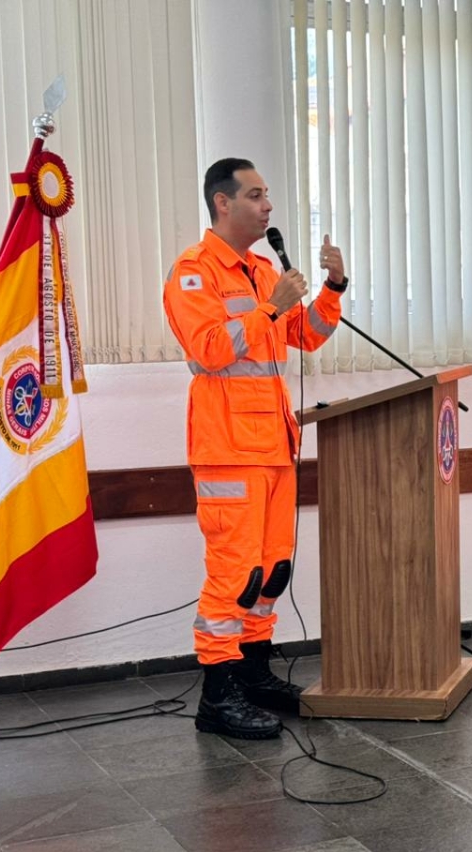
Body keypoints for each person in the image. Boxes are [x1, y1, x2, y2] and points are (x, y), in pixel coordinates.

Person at [163, 158, 347, 740]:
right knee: (234, 575)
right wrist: (273, 306)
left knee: (270, 573)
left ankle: (254, 674)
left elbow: (307, 336)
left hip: (274, 445)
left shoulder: (263, 269)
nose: (268, 205)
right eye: (255, 195)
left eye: (267, 195)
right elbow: (211, 349)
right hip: (228, 449)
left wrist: (332, 288)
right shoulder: (194, 272)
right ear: (223, 203)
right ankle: (218, 697)